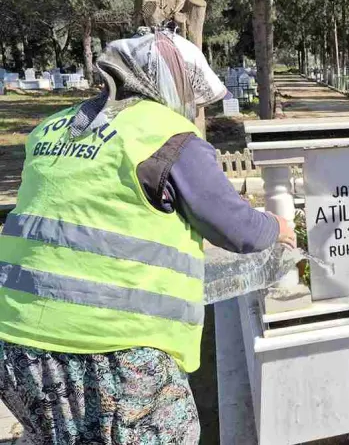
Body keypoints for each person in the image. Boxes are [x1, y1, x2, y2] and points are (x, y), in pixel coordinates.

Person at [0, 28, 296, 444]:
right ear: (170, 83)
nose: (193, 109)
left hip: (18, 344)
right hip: (112, 347)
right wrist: (277, 227)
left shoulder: (51, 129)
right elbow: (236, 228)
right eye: (191, 95)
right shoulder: (168, 137)